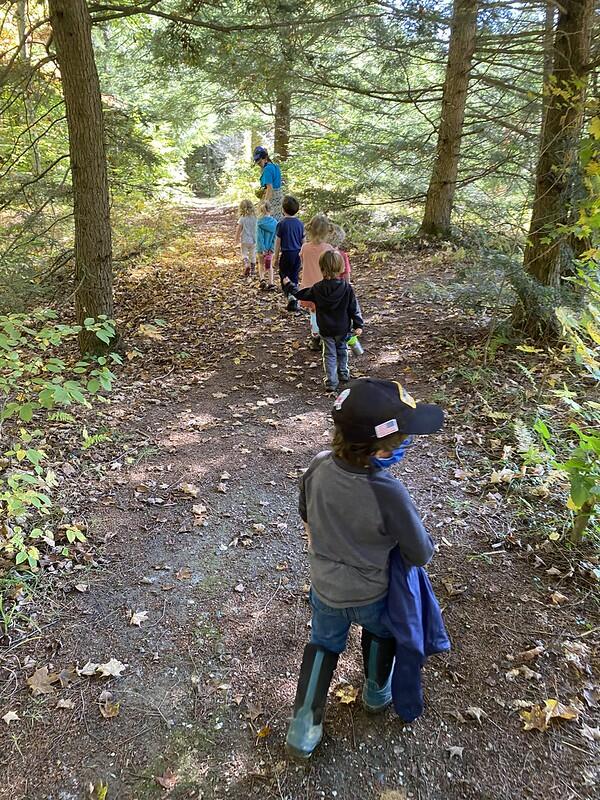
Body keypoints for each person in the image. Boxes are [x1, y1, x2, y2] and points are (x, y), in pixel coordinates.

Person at [284, 378, 444, 760]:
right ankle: (375, 692)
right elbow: (420, 553)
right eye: (400, 439)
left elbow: (306, 513)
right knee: (382, 633)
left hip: (326, 589)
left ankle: (304, 726)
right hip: (373, 593)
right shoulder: (389, 492)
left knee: (322, 645)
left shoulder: (318, 465)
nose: (404, 444)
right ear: (380, 449)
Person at [284, 250, 363, 392]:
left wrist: (290, 285)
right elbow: (353, 307)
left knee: (329, 354)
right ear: (342, 268)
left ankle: (332, 381)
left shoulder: (317, 289)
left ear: (322, 269)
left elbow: (300, 294)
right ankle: (343, 373)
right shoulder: (347, 288)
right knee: (342, 351)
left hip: (326, 329)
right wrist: (358, 324)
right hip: (342, 328)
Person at [299, 214, 333, 351]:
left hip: (308, 286)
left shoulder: (305, 248)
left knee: (313, 311)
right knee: (325, 311)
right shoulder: (329, 249)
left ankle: (315, 337)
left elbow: (303, 263)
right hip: (325, 287)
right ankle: (326, 336)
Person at [272, 195, 304, 312]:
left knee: (284, 274)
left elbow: (278, 242)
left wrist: (275, 257)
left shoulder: (281, 224)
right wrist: (303, 255)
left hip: (286, 253)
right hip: (297, 254)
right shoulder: (300, 224)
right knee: (294, 275)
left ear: (283, 209)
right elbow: (303, 241)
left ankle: (290, 296)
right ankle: (294, 296)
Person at [253, 146, 284, 221]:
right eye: (257, 162)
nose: (258, 164)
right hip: (279, 198)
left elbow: (270, 188)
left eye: (259, 162)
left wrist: (265, 203)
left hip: (271, 198)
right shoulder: (275, 166)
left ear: (265, 158)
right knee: (277, 220)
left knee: (267, 221)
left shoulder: (267, 169)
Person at [256, 201, 277, 290]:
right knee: (269, 266)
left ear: (261, 211)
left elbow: (259, 237)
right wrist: (272, 248)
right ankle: (271, 282)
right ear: (270, 210)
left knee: (261, 263)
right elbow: (275, 237)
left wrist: (262, 248)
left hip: (262, 248)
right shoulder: (275, 222)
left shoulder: (259, 222)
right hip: (270, 249)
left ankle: (262, 279)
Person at [235, 199, 257, 278]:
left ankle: (246, 263)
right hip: (254, 240)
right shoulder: (255, 218)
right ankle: (253, 271)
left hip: (244, 240)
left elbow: (239, 229)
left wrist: (236, 239)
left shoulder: (242, 218)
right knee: (253, 255)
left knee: (244, 254)